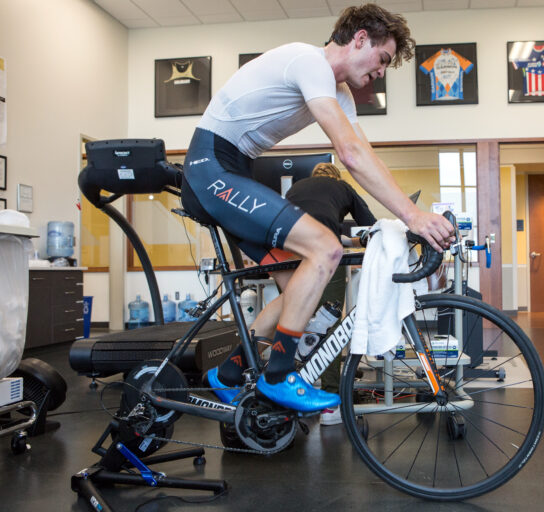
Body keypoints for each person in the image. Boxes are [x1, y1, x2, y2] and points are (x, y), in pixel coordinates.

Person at [181, 4, 454, 413]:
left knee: (299, 288)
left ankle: (229, 372)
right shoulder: (309, 62)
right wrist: (412, 217)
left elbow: (364, 153)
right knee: (327, 248)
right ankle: (278, 375)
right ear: (360, 38)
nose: (382, 72)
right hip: (210, 168)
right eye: (382, 59)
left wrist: (405, 214)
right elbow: (349, 155)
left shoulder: (339, 93)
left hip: (234, 170)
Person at [207, 163, 376, 426]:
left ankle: (230, 371)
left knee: (290, 300)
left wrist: (346, 240)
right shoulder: (342, 187)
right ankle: (330, 404)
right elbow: (371, 227)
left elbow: (309, 222)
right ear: (335, 177)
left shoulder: (297, 189)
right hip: (316, 248)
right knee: (330, 319)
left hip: (278, 241)